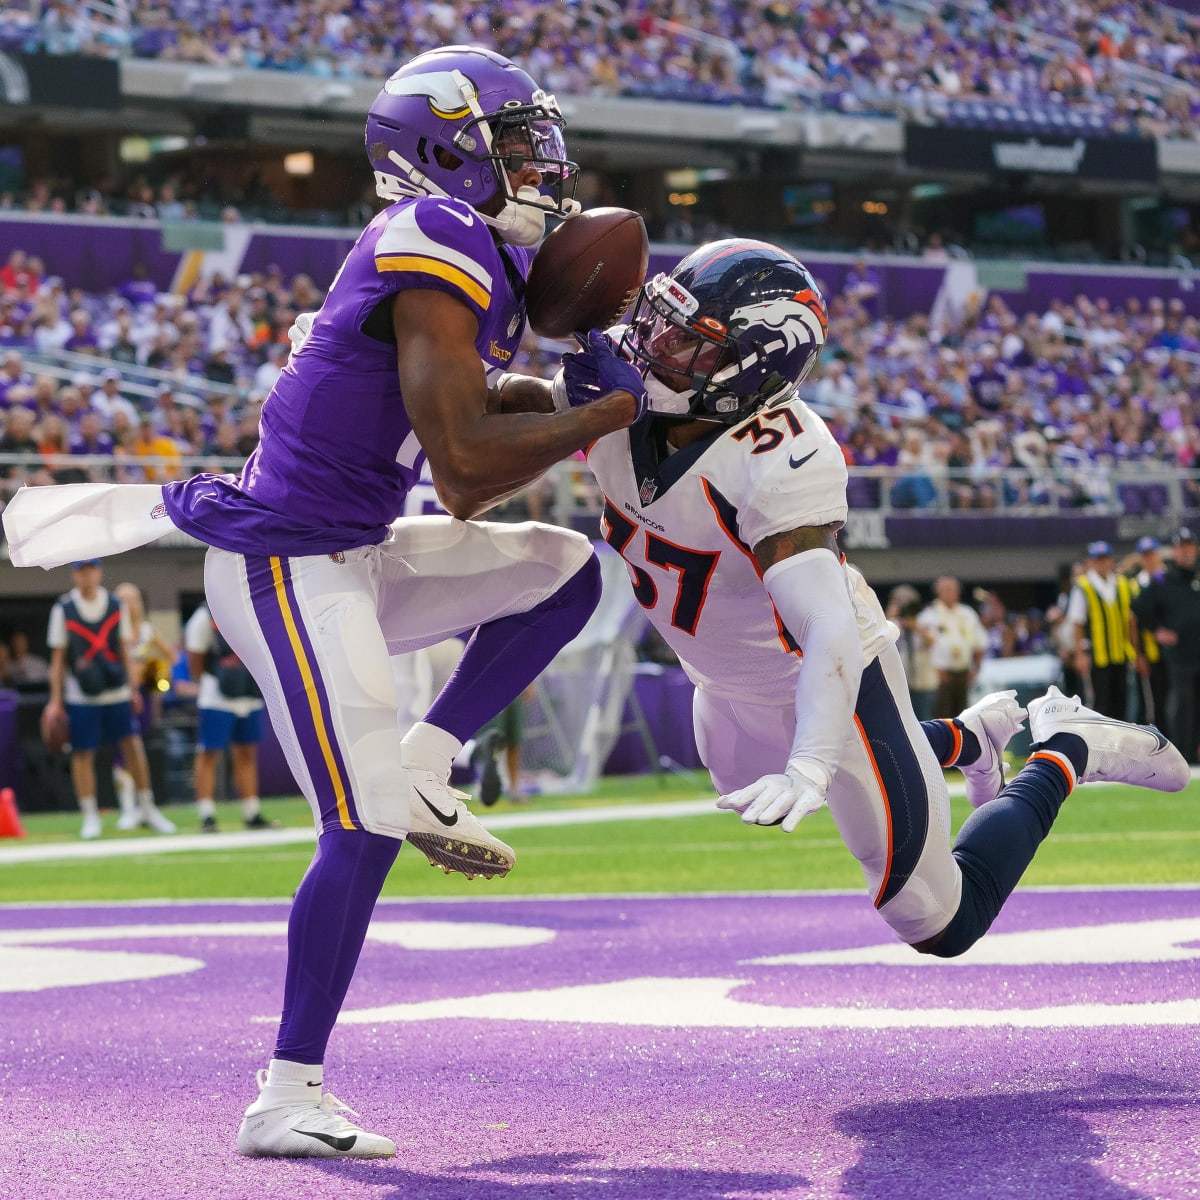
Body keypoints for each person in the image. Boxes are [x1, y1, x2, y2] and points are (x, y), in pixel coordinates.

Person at [0, 45, 647, 1158]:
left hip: (352, 546)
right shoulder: (436, 234)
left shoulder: (471, 250)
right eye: (517, 141)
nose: (545, 160)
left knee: (570, 570)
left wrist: (549, 386)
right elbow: (458, 461)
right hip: (282, 562)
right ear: (447, 153)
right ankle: (285, 1095)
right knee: (358, 825)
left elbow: (449, 408)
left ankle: (431, 760)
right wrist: (606, 413)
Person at [553, 237, 1187, 977]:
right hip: (725, 686)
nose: (657, 347)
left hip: (834, 681)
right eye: (661, 323)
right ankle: (965, 739)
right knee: (737, 786)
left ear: (753, 368)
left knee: (936, 920)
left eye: (688, 341)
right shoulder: (615, 396)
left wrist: (813, 764)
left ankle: (1067, 748)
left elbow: (824, 626)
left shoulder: (779, 457)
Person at [43, 559, 176, 839]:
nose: (86, 575)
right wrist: (55, 701)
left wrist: (131, 689)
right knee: (82, 752)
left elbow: (125, 650)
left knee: (132, 745)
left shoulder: (116, 605)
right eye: (81, 569)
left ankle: (147, 807)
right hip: (81, 693)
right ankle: (90, 814)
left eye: (91, 568)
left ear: (100, 572)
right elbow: (57, 659)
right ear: (74, 574)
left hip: (115, 689)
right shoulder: (63, 608)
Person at [184, 601, 272, 832]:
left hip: (248, 690)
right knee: (209, 753)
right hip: (216, 694)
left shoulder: (252, 607)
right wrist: (218, 676)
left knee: (246, 752)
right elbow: (195, 661)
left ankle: (251, 811)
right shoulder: (203, 616)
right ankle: (207, 815)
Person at [1131, 527, 1200, 764]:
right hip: (1180, 655)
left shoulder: (1197, 576)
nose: (1187, 551)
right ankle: (1184, 755)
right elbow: (1139, 607)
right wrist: (1156, 630)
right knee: (1183, 703)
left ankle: (1196, 754)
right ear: (1175, 551)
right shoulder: (1163, 579)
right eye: (1182, 547)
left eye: (1190, 546)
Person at [1066, 540, 1135, 719]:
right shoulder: (1084, 586)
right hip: (1096, 655)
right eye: (1098, 560)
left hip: (1120, 652)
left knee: (1121, 701)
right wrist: (1080, 654)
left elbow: (1130, 620)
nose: (1102, 563)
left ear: (1111, 561)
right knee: (1099, 703)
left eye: (1105, 559)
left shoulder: (1121, 584)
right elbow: (1077, 622)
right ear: (1091, 562)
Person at [917, 575, 988, 718]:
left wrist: (977, 667)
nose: (950, 593)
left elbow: (980, 641)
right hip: (939, 676)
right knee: (940, 716)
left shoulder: (968, 613)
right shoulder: (929, 615)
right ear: (938, 591)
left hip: (964, 673)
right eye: (946, 589)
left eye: (953, 589)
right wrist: (935, 669)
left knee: (963, 716)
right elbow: (924, 647)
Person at [1129, 535, 1167, 731]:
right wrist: (1138, 655)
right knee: (1152, 703)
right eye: (1145, 555)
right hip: (1150, 652)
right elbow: (1132, 623)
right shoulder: (1135, 585)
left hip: (1173, 652)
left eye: (1152, 554)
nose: (1149, 559)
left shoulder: (1169, 579)